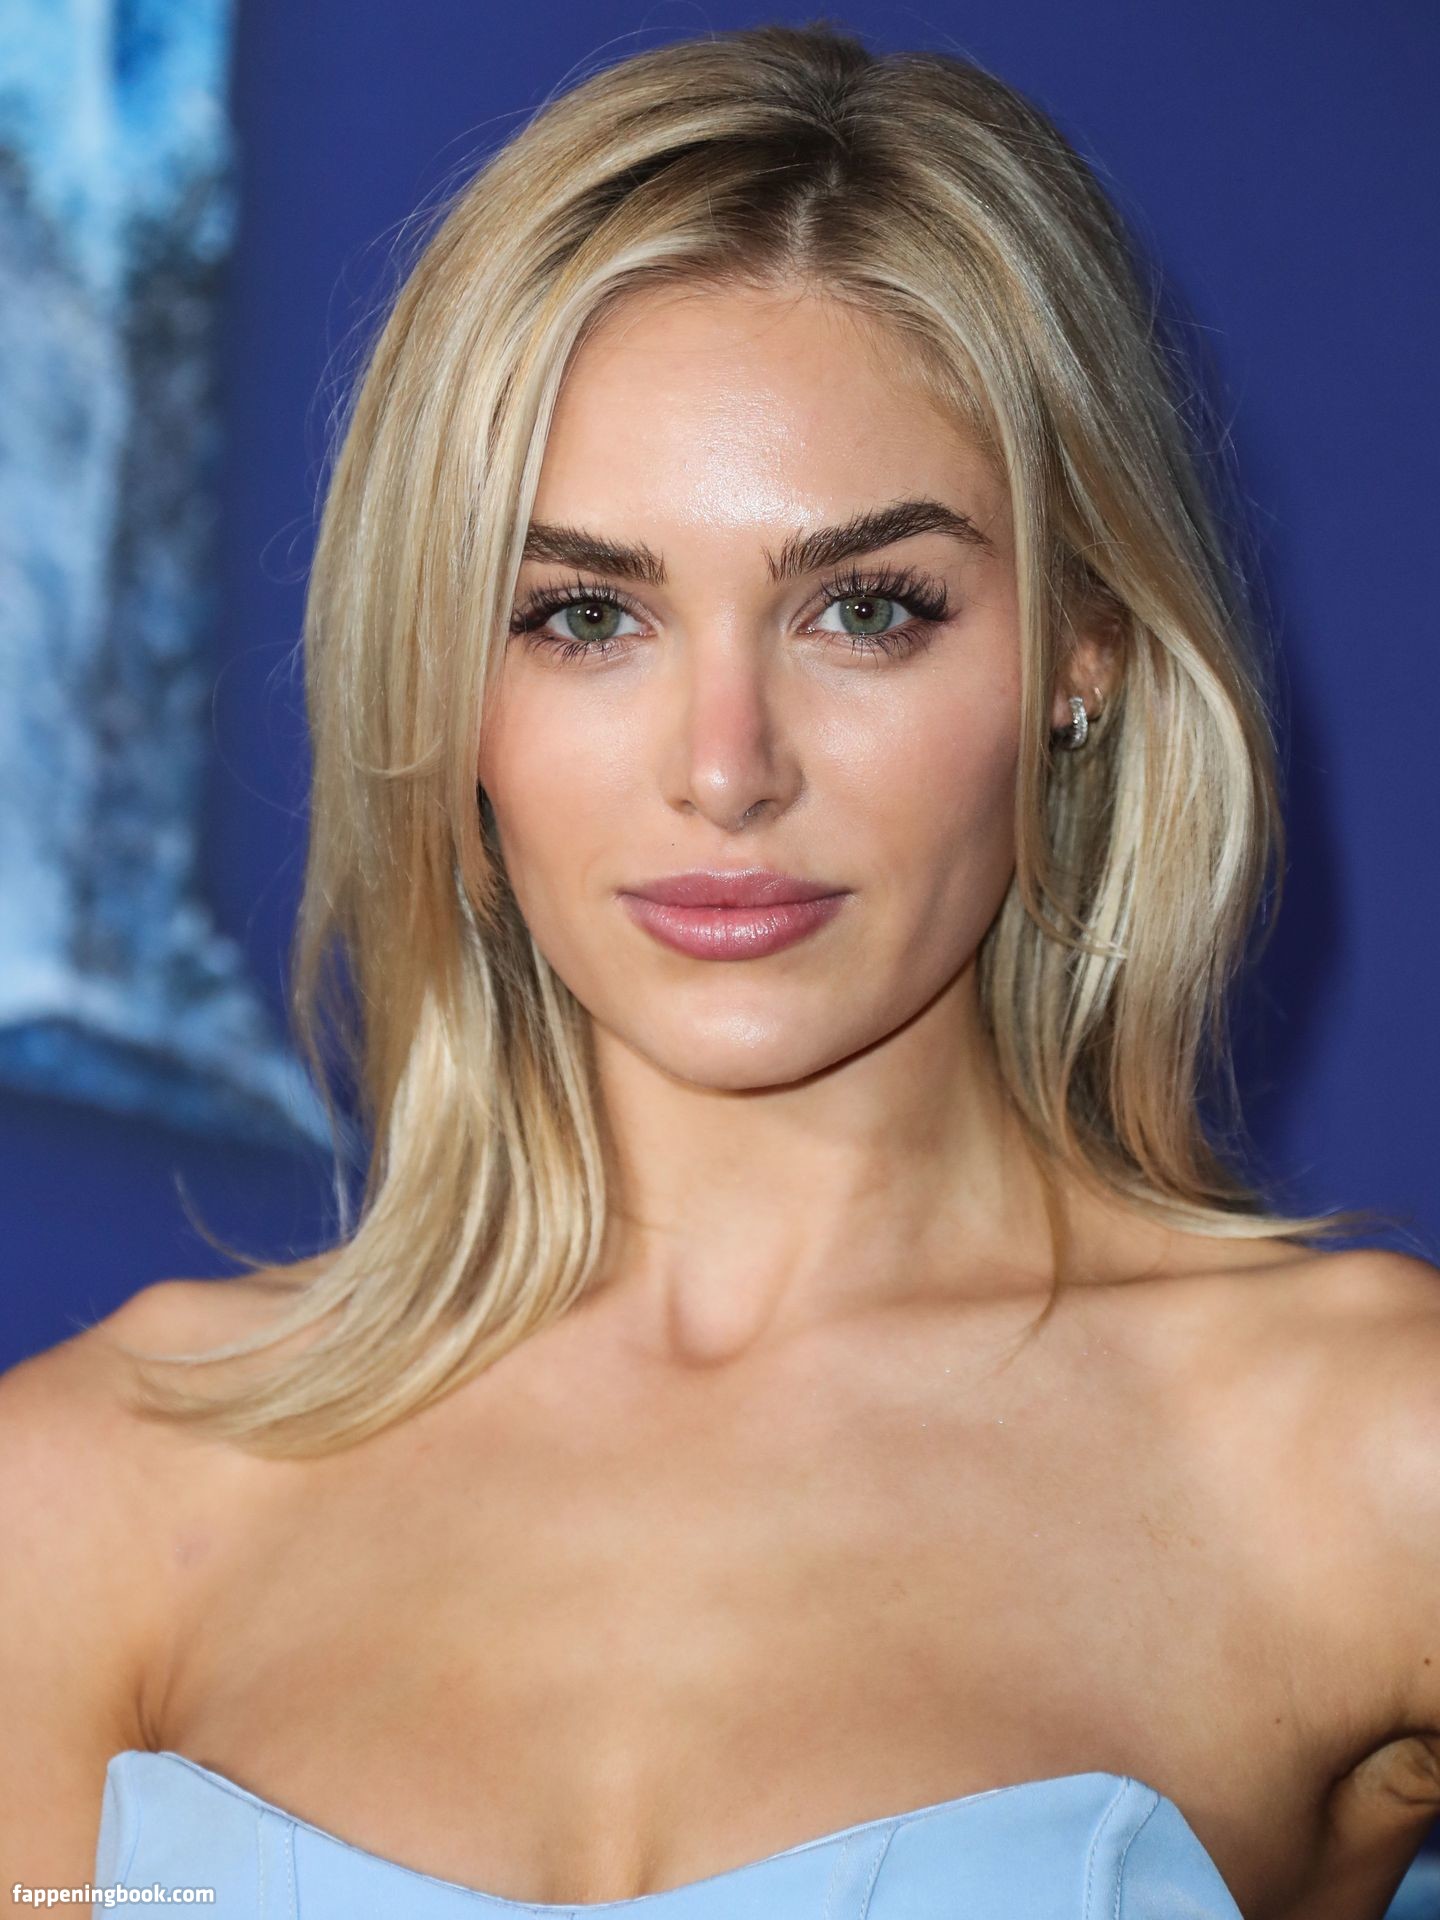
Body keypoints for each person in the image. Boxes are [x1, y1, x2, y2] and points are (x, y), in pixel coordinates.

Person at [2, 20, 1436, 1918]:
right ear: (448, 679)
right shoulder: (92, 1485)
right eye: (586, 615)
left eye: (868, 609)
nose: (727, 767)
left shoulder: (1368, 1460)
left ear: (1083, 651)